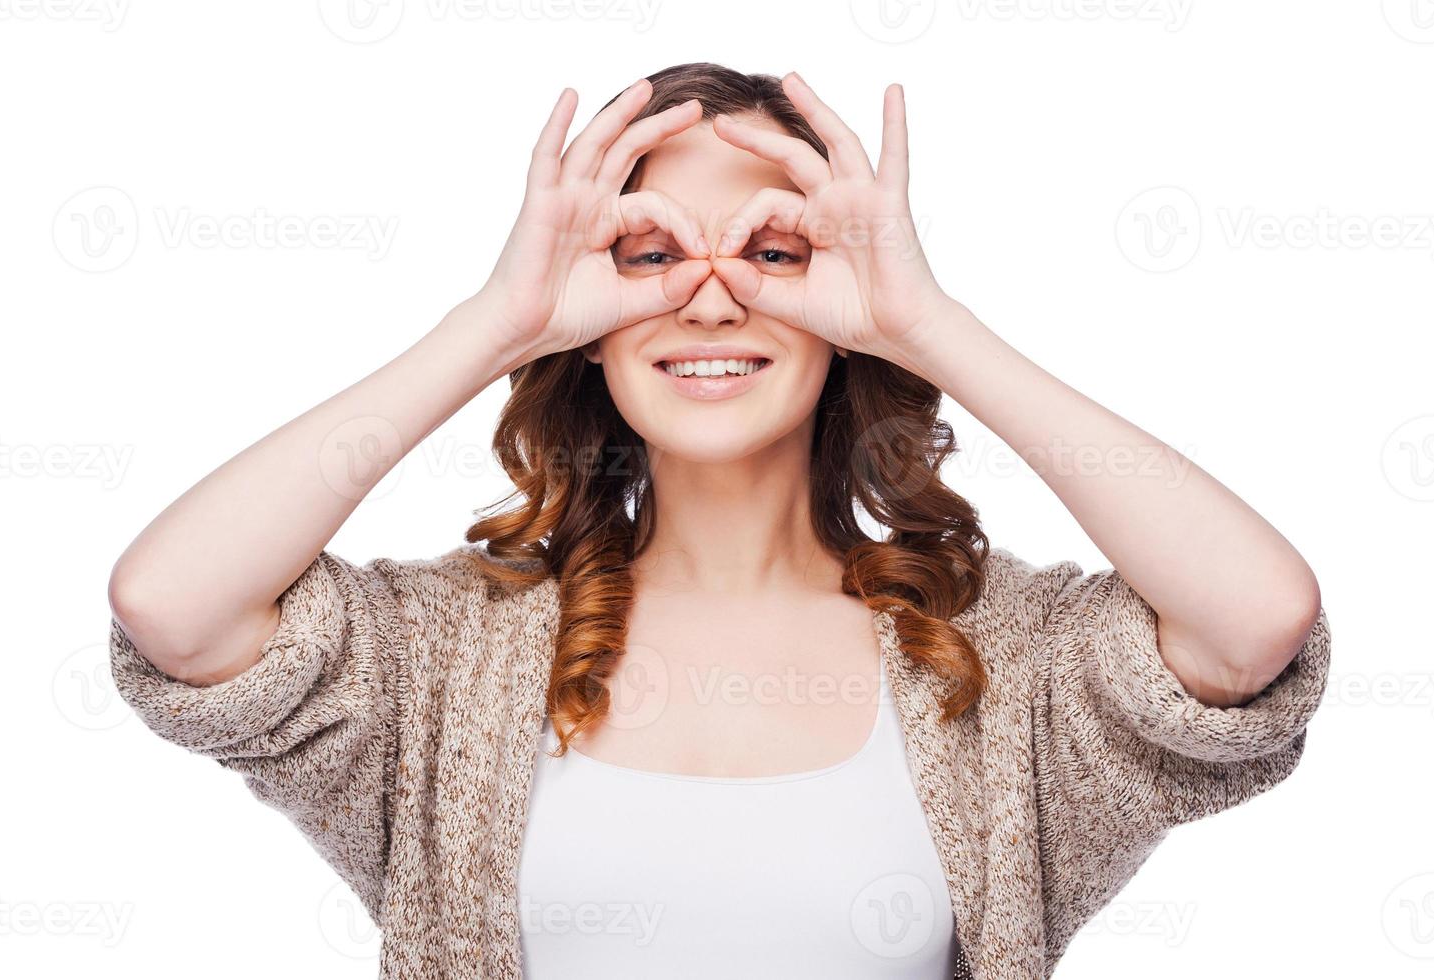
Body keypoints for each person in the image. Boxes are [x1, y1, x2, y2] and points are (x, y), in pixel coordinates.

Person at [106, 63, 1332, 979]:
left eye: (772, 252)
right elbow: (176, 607)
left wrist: (927, 323)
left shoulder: (996, 662)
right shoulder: (446, 655)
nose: (707, 297)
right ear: (588, 329)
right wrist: (498, 320)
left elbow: (1253, 624)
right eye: (646, 254)